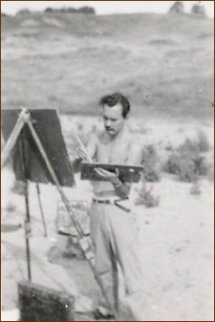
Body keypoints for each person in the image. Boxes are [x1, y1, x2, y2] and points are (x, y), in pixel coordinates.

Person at [82, 93, 145, 320]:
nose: (108, 124)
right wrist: (78, 157)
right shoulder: (96, 137)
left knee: (131, 272)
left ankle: (138, 317)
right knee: (103, 268)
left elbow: (125, 190)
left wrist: (113, 179)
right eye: (105, 118)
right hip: (97, 208)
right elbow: (82, 165)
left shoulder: (133, 144)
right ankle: (107, 311)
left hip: (120, 209)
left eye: (113, 119)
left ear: (124, 117)